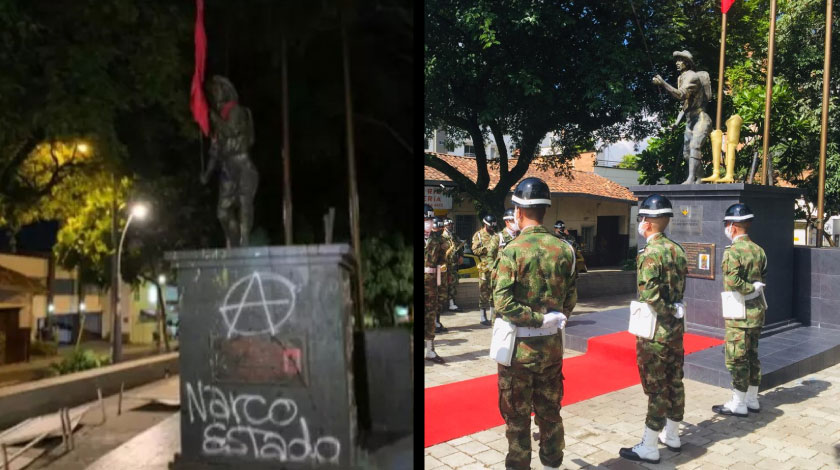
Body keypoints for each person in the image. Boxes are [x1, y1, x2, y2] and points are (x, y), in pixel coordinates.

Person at [493, 177, 576, 470]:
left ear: (517, 211)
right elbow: (569, 301)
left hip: (518, 351)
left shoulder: (512, 250)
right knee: (550, 412)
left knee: (517, 418)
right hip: (551, 349)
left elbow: (502, 303)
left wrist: (535, 318)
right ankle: (553, 462)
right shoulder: (565, 250)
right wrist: (548, 319)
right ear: (545, 210)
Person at [619, 194, 687, 464]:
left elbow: (651, 296)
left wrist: (667, 309)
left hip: (655, 331)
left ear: (647, 221)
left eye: (641, 218)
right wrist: (675, 310)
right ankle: (673, 434)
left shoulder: (650, 253)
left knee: (656, 387)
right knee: (674, 380)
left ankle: (649, 444)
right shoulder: (677, 250)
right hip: (674, 330)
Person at [712, 203, 767, 417]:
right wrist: (754, 289)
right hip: (757, 312)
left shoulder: (733, 252)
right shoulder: (759, 250)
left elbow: (733, 280)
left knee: (736, 358)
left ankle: (738, 402)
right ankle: (752, 398)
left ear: (733, 227)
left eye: (727, 225)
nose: (726, 228)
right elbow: (763, 277)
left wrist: (747, 289)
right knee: (752, 355)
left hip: (739, 313)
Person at [652, 50, 712, 184]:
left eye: (681, 61)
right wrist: (676, 123)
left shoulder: (692, 77)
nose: (677, 63)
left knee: (695, 146)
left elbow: (680, 95)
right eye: (677, 60)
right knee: (686, 154)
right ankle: (701, 177)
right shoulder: (681, 78)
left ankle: (691, 178)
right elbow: (686, 104)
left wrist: (662, 83)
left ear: (687, 63)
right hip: (690, 120)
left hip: (701, 119)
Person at [424, 205, 445, 364]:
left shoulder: (438, 240)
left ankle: (430, 350)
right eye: (426, 220)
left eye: (430, 220)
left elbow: (441, 262)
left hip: (431, 284)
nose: (429, 223)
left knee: (430, 316)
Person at [472, 214, 498, 326]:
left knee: (494, 292)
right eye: (490, 226)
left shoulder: (496, 235)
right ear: (485, 224)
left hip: (494, 267)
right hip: (484, 267)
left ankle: (493, 317)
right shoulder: (478, 235)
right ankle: (483, 317)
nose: (492, 228)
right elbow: (474, 250)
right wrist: (486, 249)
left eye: (493, 226)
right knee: (484, 292)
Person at [433, 217, 450, 333]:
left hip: (440, 272)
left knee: (440, 297)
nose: (439, 230)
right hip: (430, 273)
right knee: (431, 298)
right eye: (437, 228)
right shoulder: (429, 239)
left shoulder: (442, 239)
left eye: (440, 227)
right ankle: (432, 323)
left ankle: (437, 321)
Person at [443, 218, 463, 312]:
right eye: (449, 225)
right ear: (444, 225)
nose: (450, 226)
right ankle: (443, 305)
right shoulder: (441, 236)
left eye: (451, 225)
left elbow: (459, 247)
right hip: (444, 264)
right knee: (443, 284)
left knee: (453, 284)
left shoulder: (454, 236)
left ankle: (452, 304)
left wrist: (461, 256)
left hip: (453, 264)